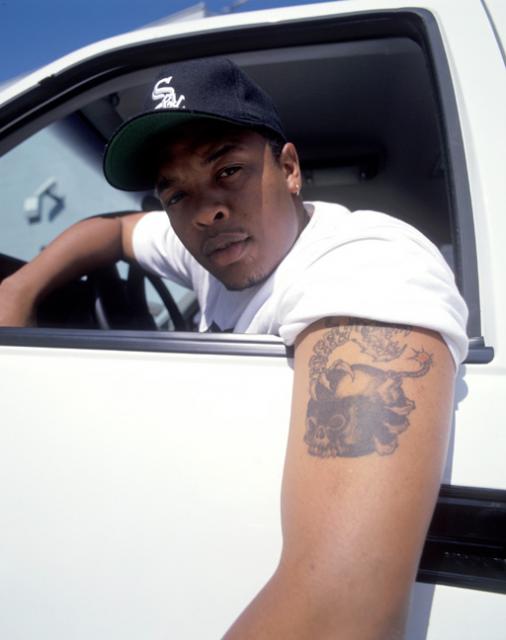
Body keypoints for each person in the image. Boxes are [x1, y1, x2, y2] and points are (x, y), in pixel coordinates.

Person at [0, 58, 468, 639]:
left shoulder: (368, 264)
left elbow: (340, 614)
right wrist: (18, 290)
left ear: (289, 169)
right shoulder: (211, 248)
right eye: (176, 193)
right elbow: (114, 231)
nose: (205, 211)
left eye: (229, 171)